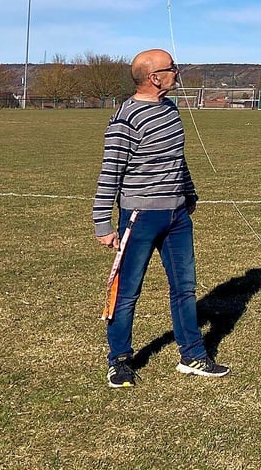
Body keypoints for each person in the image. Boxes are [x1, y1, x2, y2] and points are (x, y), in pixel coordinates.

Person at [93, 48, 229, 388]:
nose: (177, 73)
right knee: (127, 292)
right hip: (139, 218)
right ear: (155, 78)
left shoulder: (170, 109)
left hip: (178, 216)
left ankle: (192, 355)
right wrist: (103, 223)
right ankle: (119, 361)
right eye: (172, 68)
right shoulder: (125, 119)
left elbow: (176, 159)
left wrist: (190, 192)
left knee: (184, 288)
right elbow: (111, 172)